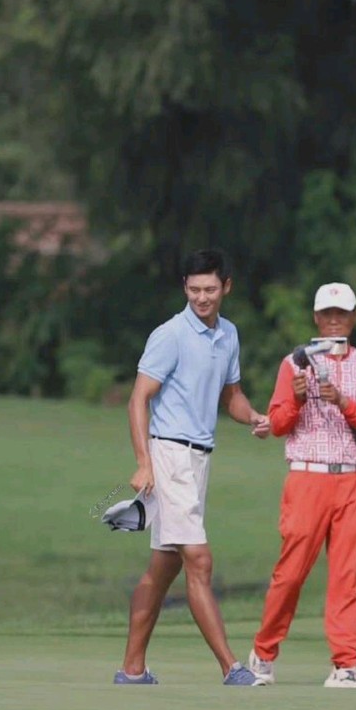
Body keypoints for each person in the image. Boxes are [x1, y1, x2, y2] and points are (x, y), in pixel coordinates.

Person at [114, 249, 270, 686]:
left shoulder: (229, 334)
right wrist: (144, 463)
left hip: (199, 459)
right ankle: (231, 668)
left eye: (210, 289)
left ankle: (132, 670)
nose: (202, 297)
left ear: (226, 288)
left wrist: (253, 417)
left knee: (164, 566)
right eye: (195, 289)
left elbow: (231, 396)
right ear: (185, 286)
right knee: (199, 561)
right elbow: (138, 399)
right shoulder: (170, 335)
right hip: (169, 456)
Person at [248, 282, 356, 689]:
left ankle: (346, 665)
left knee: (347, 576)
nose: (334, 320)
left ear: (354, 317)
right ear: (316, 317)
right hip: (307, 476)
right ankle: (263, 654)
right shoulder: (294, 364)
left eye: (342, 313)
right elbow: (278, 424)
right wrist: (297, 398)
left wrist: (341, 400)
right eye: (327, 313)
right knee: (291, 574)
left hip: (351, 478)